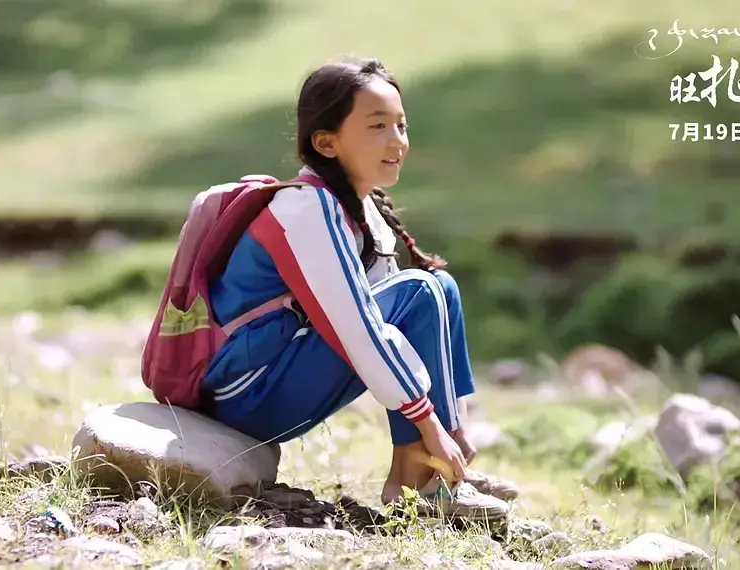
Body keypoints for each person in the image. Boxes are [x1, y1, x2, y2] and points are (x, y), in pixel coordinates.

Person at [201, 56, 518, 521]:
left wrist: (454, 428)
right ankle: (419, 481)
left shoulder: (361, 213)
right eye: (377, 126)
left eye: (401, 125)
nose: (397, 141)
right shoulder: (305, 209)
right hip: (248, 393)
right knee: (420, 292)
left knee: (440, 287)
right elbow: (359, 329)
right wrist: (428, 424)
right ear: (327, 142)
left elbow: (393, 325)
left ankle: (440, 475)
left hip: (284, 374)